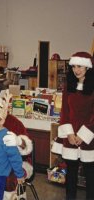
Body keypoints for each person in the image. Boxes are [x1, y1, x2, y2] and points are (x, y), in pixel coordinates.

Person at [51, 51, 94, 200]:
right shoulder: (68, 85)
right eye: (74, 66)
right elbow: (65, 110)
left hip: (90, 136)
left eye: (80, 66)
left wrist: (83, 135)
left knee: (90, 173)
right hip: (70, 135)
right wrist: (69, 133)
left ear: (88, 67)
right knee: (71, 173)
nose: (77, 70)